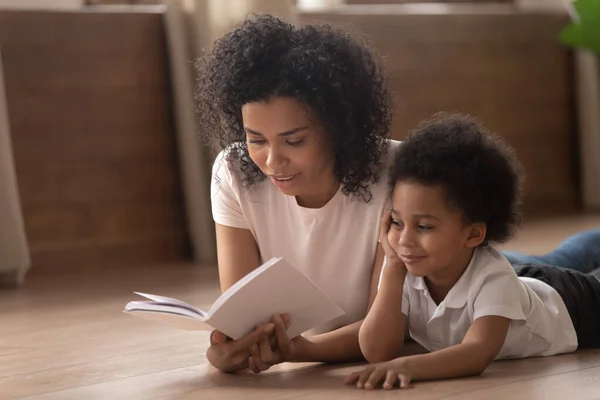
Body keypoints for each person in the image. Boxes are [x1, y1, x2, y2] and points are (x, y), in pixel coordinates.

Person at [194, 14, 600, 374]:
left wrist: (299, 349)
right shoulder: (234, 173)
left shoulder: (394, 172)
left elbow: (387, 326)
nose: (272, 161)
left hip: (467, 279)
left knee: (545, 272)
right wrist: (239, 347)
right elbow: (244, 316)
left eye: (294, 140)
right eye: (255, 139)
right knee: (550, 265)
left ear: (338, 128)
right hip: (463, 290)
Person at [345, 112, 600, 390]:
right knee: (566, 257)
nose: (404, 240)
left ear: (473, 234)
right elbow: (376, 351)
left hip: (575, 306)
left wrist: (408, 365)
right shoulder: (403, 265)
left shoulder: (493, 277)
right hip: (528, 283)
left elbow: (476, 352)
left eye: (424, 226)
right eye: (396, 221)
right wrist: (392, 267)